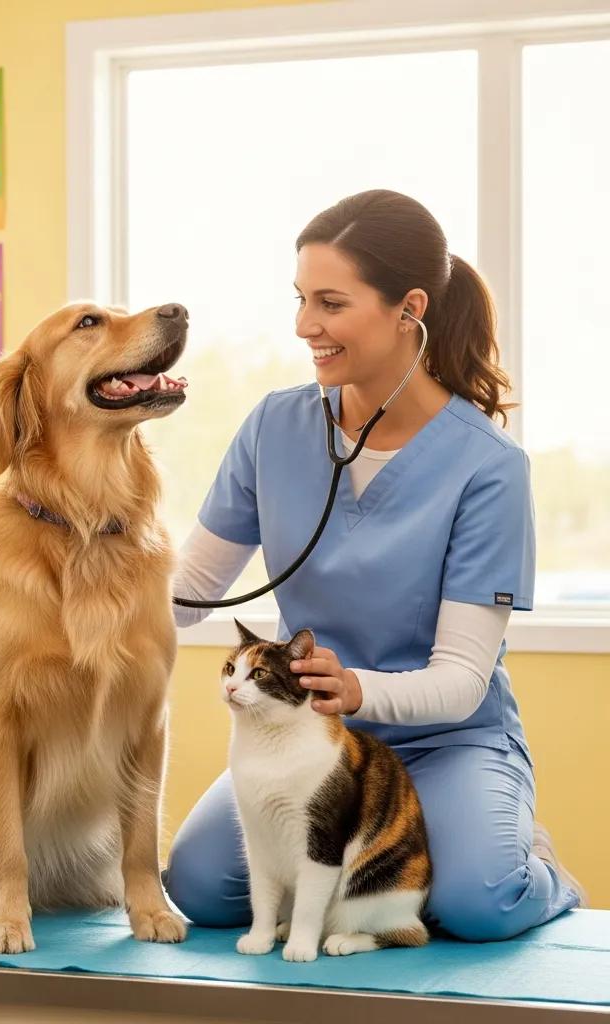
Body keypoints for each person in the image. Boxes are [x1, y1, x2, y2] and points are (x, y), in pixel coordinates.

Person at [165, 189, 585, 942]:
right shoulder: (274, 426)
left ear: (408, 309)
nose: (304, 327)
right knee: (200, 886)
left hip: (448, 738)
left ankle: (521, 860)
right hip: (307, 741)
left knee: (479, 902)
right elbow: (188, 594)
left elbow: (460, 681)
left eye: (330, 303)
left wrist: (359, 688)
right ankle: (376, 879)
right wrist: (86, 569)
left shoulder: (487, 467)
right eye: (300, 300)